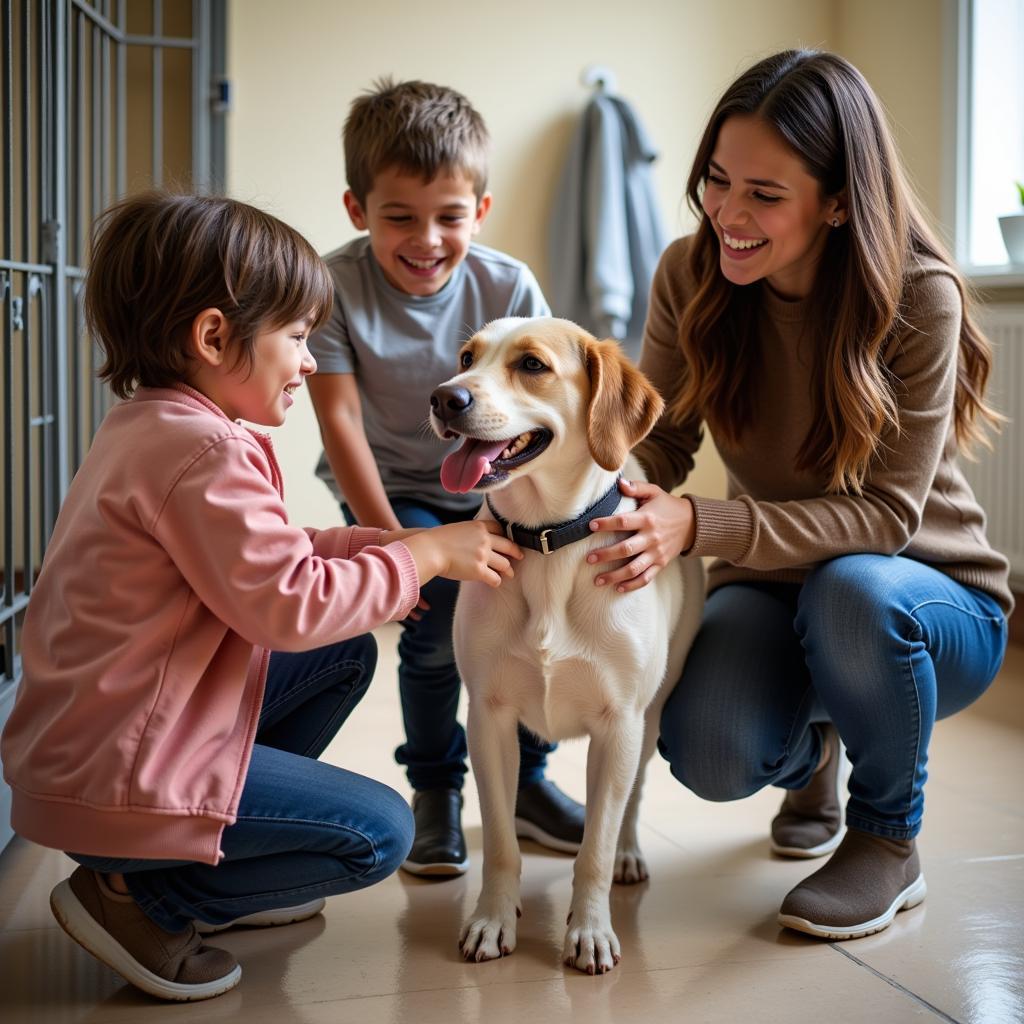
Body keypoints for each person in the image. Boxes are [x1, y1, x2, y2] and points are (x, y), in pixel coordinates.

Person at [0, 192, 523, 1002]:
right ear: (213, 337)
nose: (310, 361)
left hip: (112, 737)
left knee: (343, 653)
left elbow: (273, 560)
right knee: (374, 834)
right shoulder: (204, 447)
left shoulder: (156, 423)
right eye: (297, 337)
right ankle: (147, 898)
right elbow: (287, 606)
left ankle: (196, 854)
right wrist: (420, 554)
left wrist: (384, 549)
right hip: (121, 770)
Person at [587, 50, 1012, 940]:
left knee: (852, 588)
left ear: (840, 199)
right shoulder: (688, 274)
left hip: (928, 598)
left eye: (765, 196)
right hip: (777, 585)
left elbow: (888, 520)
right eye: (716, 181)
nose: (729, 215)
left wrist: (702, 522)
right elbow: (662, 438)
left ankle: (888, 841)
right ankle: (813, 749)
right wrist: (595, 493)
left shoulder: (916, 297)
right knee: (705, 750)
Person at [307, 77, 586, 877]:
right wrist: (402, 550)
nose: (426, 238)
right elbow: (341, 425)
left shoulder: (508, 284)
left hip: (497, 478)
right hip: (392, 487)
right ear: (358, 210)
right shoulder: (335, 288)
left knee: (529, 607)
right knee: (432, 628)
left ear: (481, 212)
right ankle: (437, 791)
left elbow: (540, 407)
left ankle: (528, 783)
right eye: (399, 216)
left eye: (449, 217)